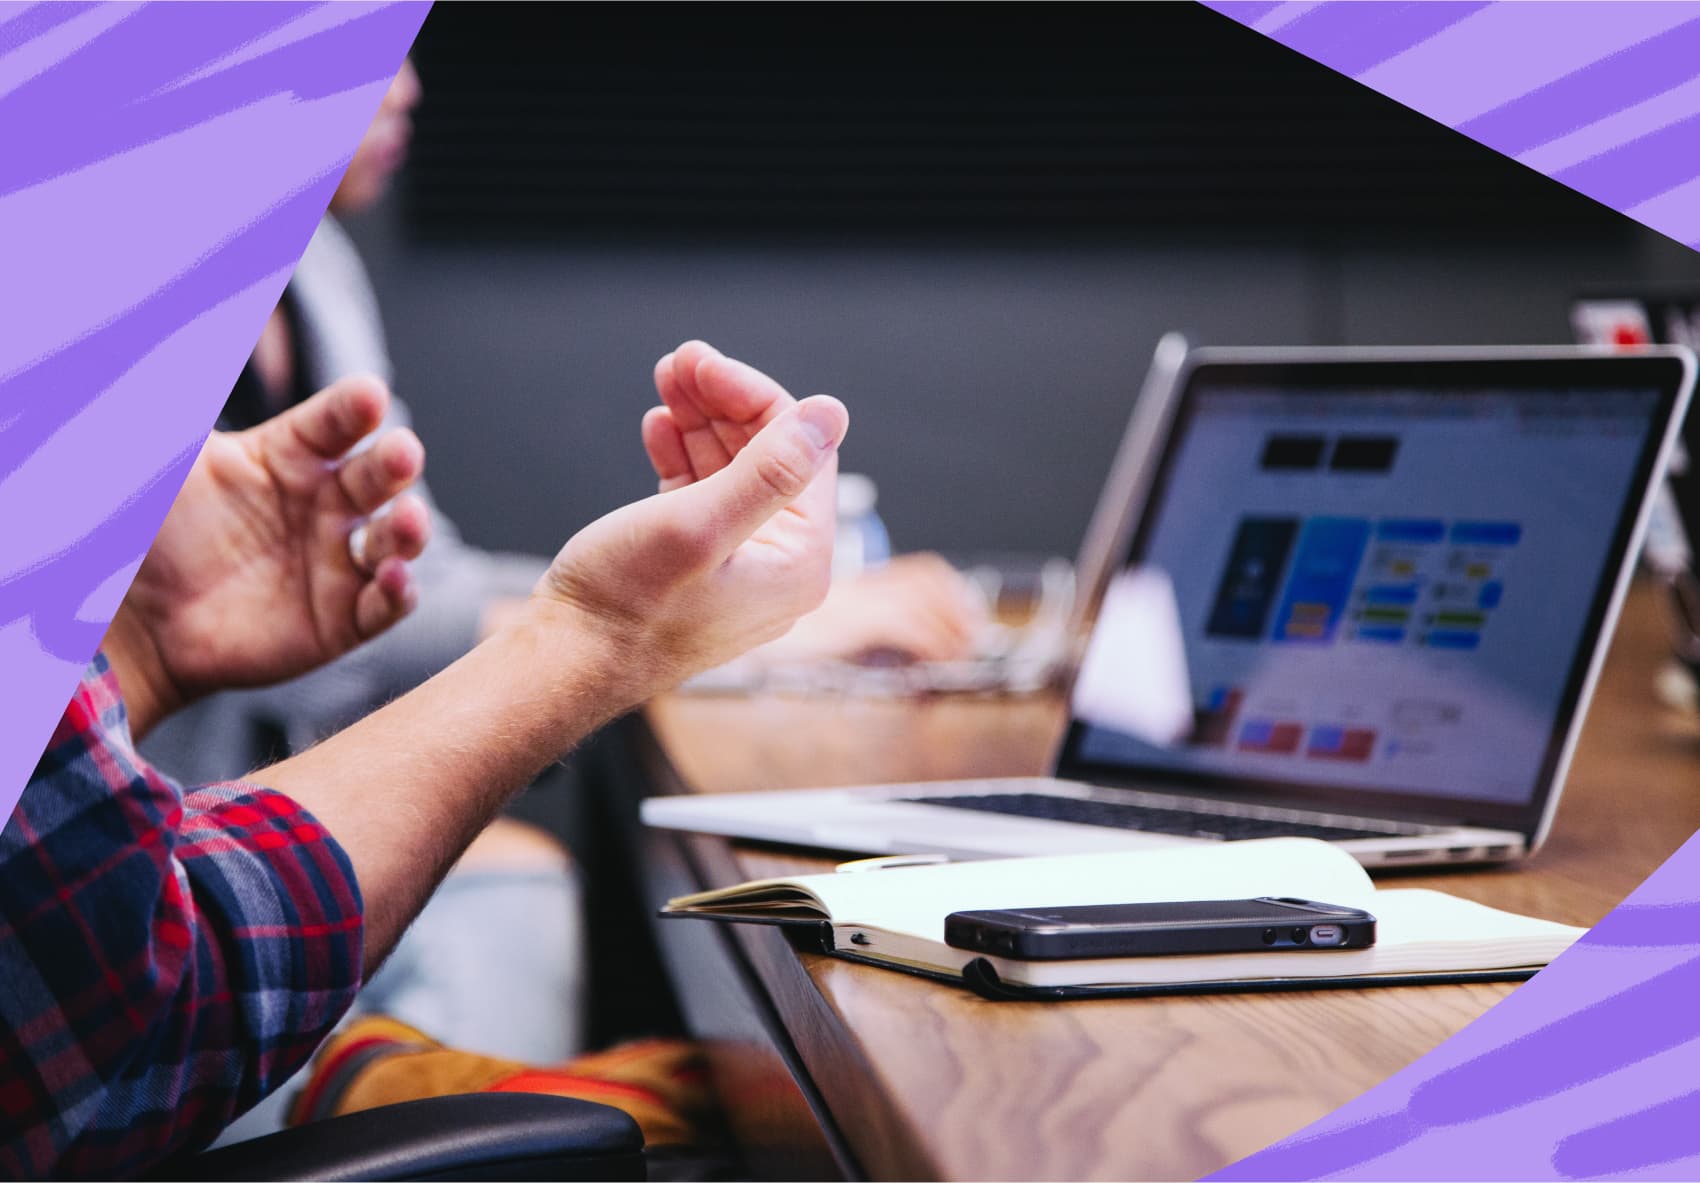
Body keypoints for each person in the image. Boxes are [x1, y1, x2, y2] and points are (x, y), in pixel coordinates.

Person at [1, 339, 849, 1178]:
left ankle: (377, 1082)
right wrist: (600, 635)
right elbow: (126, 991)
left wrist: (139, 644)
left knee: (521, 879)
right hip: (123, 1061)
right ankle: (363, 1085)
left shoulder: (313, 270)